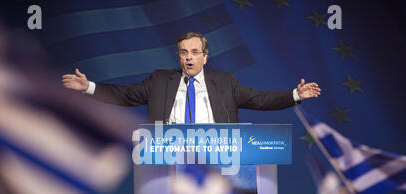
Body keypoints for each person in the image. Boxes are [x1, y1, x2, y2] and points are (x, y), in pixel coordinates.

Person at [62, 32, 321, 124]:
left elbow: (260, 99)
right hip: (169, 158)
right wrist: (89, 87)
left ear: (205, 57)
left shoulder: (225, 81)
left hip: (218, 160)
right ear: (178, 56)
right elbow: (125, 95)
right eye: (184, 52)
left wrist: (296, 94)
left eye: (195, 52)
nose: (189, 58)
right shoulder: (161, 80)